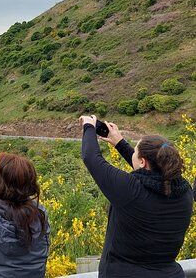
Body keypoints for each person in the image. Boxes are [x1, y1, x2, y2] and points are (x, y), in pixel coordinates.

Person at [80, 115, 193, 278]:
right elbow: (150, 172)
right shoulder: (184, 192)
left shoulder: (131, 190)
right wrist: (119, 142)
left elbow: (91, 158)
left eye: (136, 150)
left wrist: (89, 127)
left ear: (142, 161)